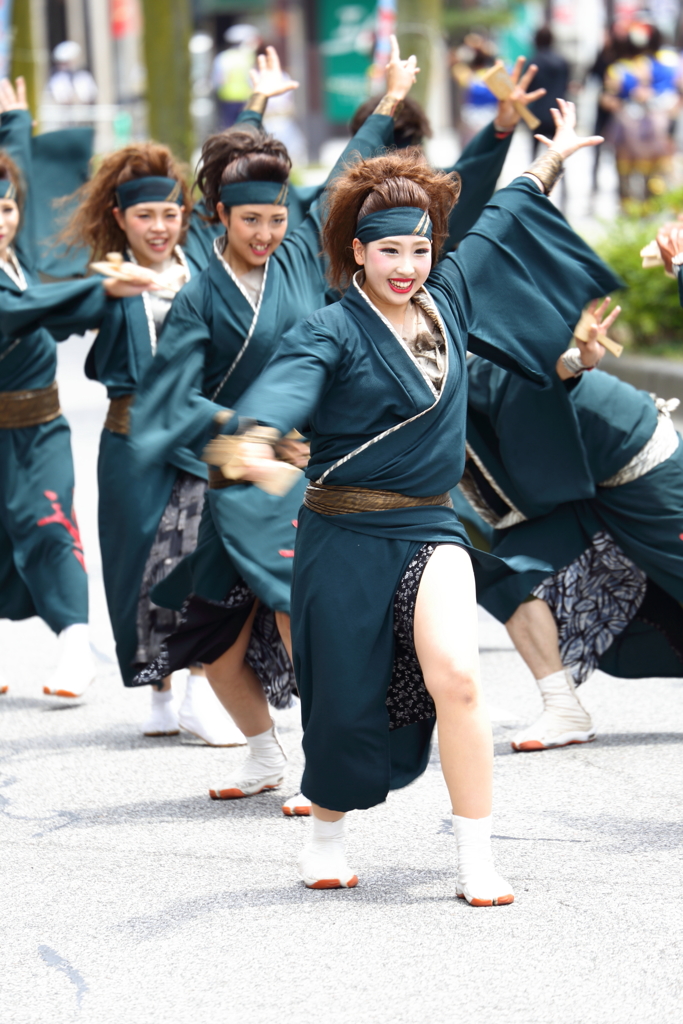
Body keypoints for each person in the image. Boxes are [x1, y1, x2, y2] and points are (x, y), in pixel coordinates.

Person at [206, 100, 619, 898]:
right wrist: (255, 439)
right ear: (355, 253)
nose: (406, 264)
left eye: (420, 248)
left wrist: (552, 157)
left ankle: (475, 855)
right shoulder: (329, 330)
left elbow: (501, 217)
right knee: (343, 702)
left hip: (431, 527)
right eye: (388, 249)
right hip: (341, 534)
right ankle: (326, 830)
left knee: (458, 677)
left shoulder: (447, 299)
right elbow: (284, 392)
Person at [129, 37, 424, 784]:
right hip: (227, 472)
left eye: (276, 218)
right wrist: (244, 431)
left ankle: (324, 760)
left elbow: (342, 173)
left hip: (303, 471)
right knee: (211, 642)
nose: (266, 233)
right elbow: (170, 394)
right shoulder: (198, 293)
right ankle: (264, 753)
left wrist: (389, 98)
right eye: (250, 220)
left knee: (302, 616)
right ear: (219, 218)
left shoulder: (299, 254)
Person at [457, 302, 683, 752]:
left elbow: (527, 373)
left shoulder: (450, 327)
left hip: (638, 465)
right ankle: (563, 707)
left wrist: (578, 358)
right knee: (505, 570)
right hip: (571, 488)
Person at [0, 94, 152, 700]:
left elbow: (17, 176)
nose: (2, 219)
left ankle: (73, 646)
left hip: (39, 427)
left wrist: (14, 126)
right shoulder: (14, 284)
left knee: (47, 520)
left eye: (6, 208)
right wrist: (101, 287)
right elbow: (15, 311)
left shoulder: (19, 258)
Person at [212, 24, 260, 129]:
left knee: (228, 126)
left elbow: (217, 80)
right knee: (245, 125)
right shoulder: (248, 57)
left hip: (226, 97)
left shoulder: (222, 57)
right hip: (245, 97)